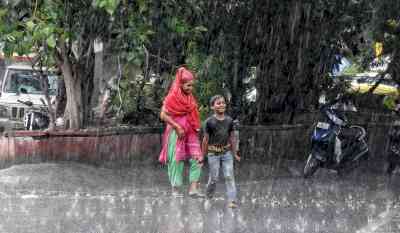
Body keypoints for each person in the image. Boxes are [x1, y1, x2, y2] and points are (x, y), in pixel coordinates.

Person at [159, 66, 204, 197]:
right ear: (180, 83)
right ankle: (175, 188)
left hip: (191, 132)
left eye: (192, 86)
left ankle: (193, 189)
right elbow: (163, 115)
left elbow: (193, 114)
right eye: (188, 86)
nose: (190, 88)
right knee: (176, 160)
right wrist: (177, 127)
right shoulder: (173, 96)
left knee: (198, 158)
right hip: (176, 132)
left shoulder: (190, 98)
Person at [202, 95, 241, 208]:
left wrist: (235, 153)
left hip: (226, 153)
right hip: (213, 153)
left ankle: (232, 200)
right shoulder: (209, 122)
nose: (221, 105)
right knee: (214, 178)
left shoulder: (229, 121)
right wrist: (202, 156)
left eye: (223, 103)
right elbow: (205, 140)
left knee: (229, 176)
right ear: (212, 107)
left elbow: (232, 138)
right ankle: (208, 197)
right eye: (218, 103)